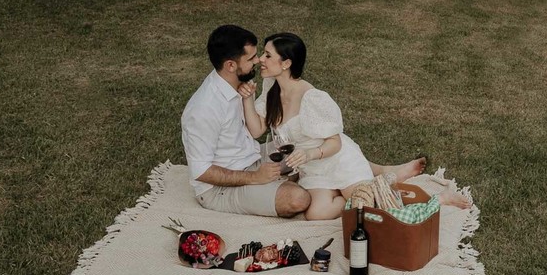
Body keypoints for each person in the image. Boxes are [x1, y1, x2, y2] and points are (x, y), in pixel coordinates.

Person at [241, 32, 471, 221]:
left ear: (286, 63)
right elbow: (257, 130)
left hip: (335, 159)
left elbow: (335, 142)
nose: (260, 59)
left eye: (267, 55)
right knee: (316, 214)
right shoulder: (271, 88)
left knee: (377, 211)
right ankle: (372, 182)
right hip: (313, 170)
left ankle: (437, 198)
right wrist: (247, 99)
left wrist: (308, 154)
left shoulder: (313, 98)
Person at [181, 25, 311, 218]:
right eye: (251, 58)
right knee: (298, 198)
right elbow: (201, 171)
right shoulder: (203, 109)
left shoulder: (236, 83)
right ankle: (282, 182)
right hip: (219, 190)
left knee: (307, 143)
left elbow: (254, 130)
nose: (258, 61)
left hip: (251, 157)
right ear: (231, 66)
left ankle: (365, 174)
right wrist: (255, 178)